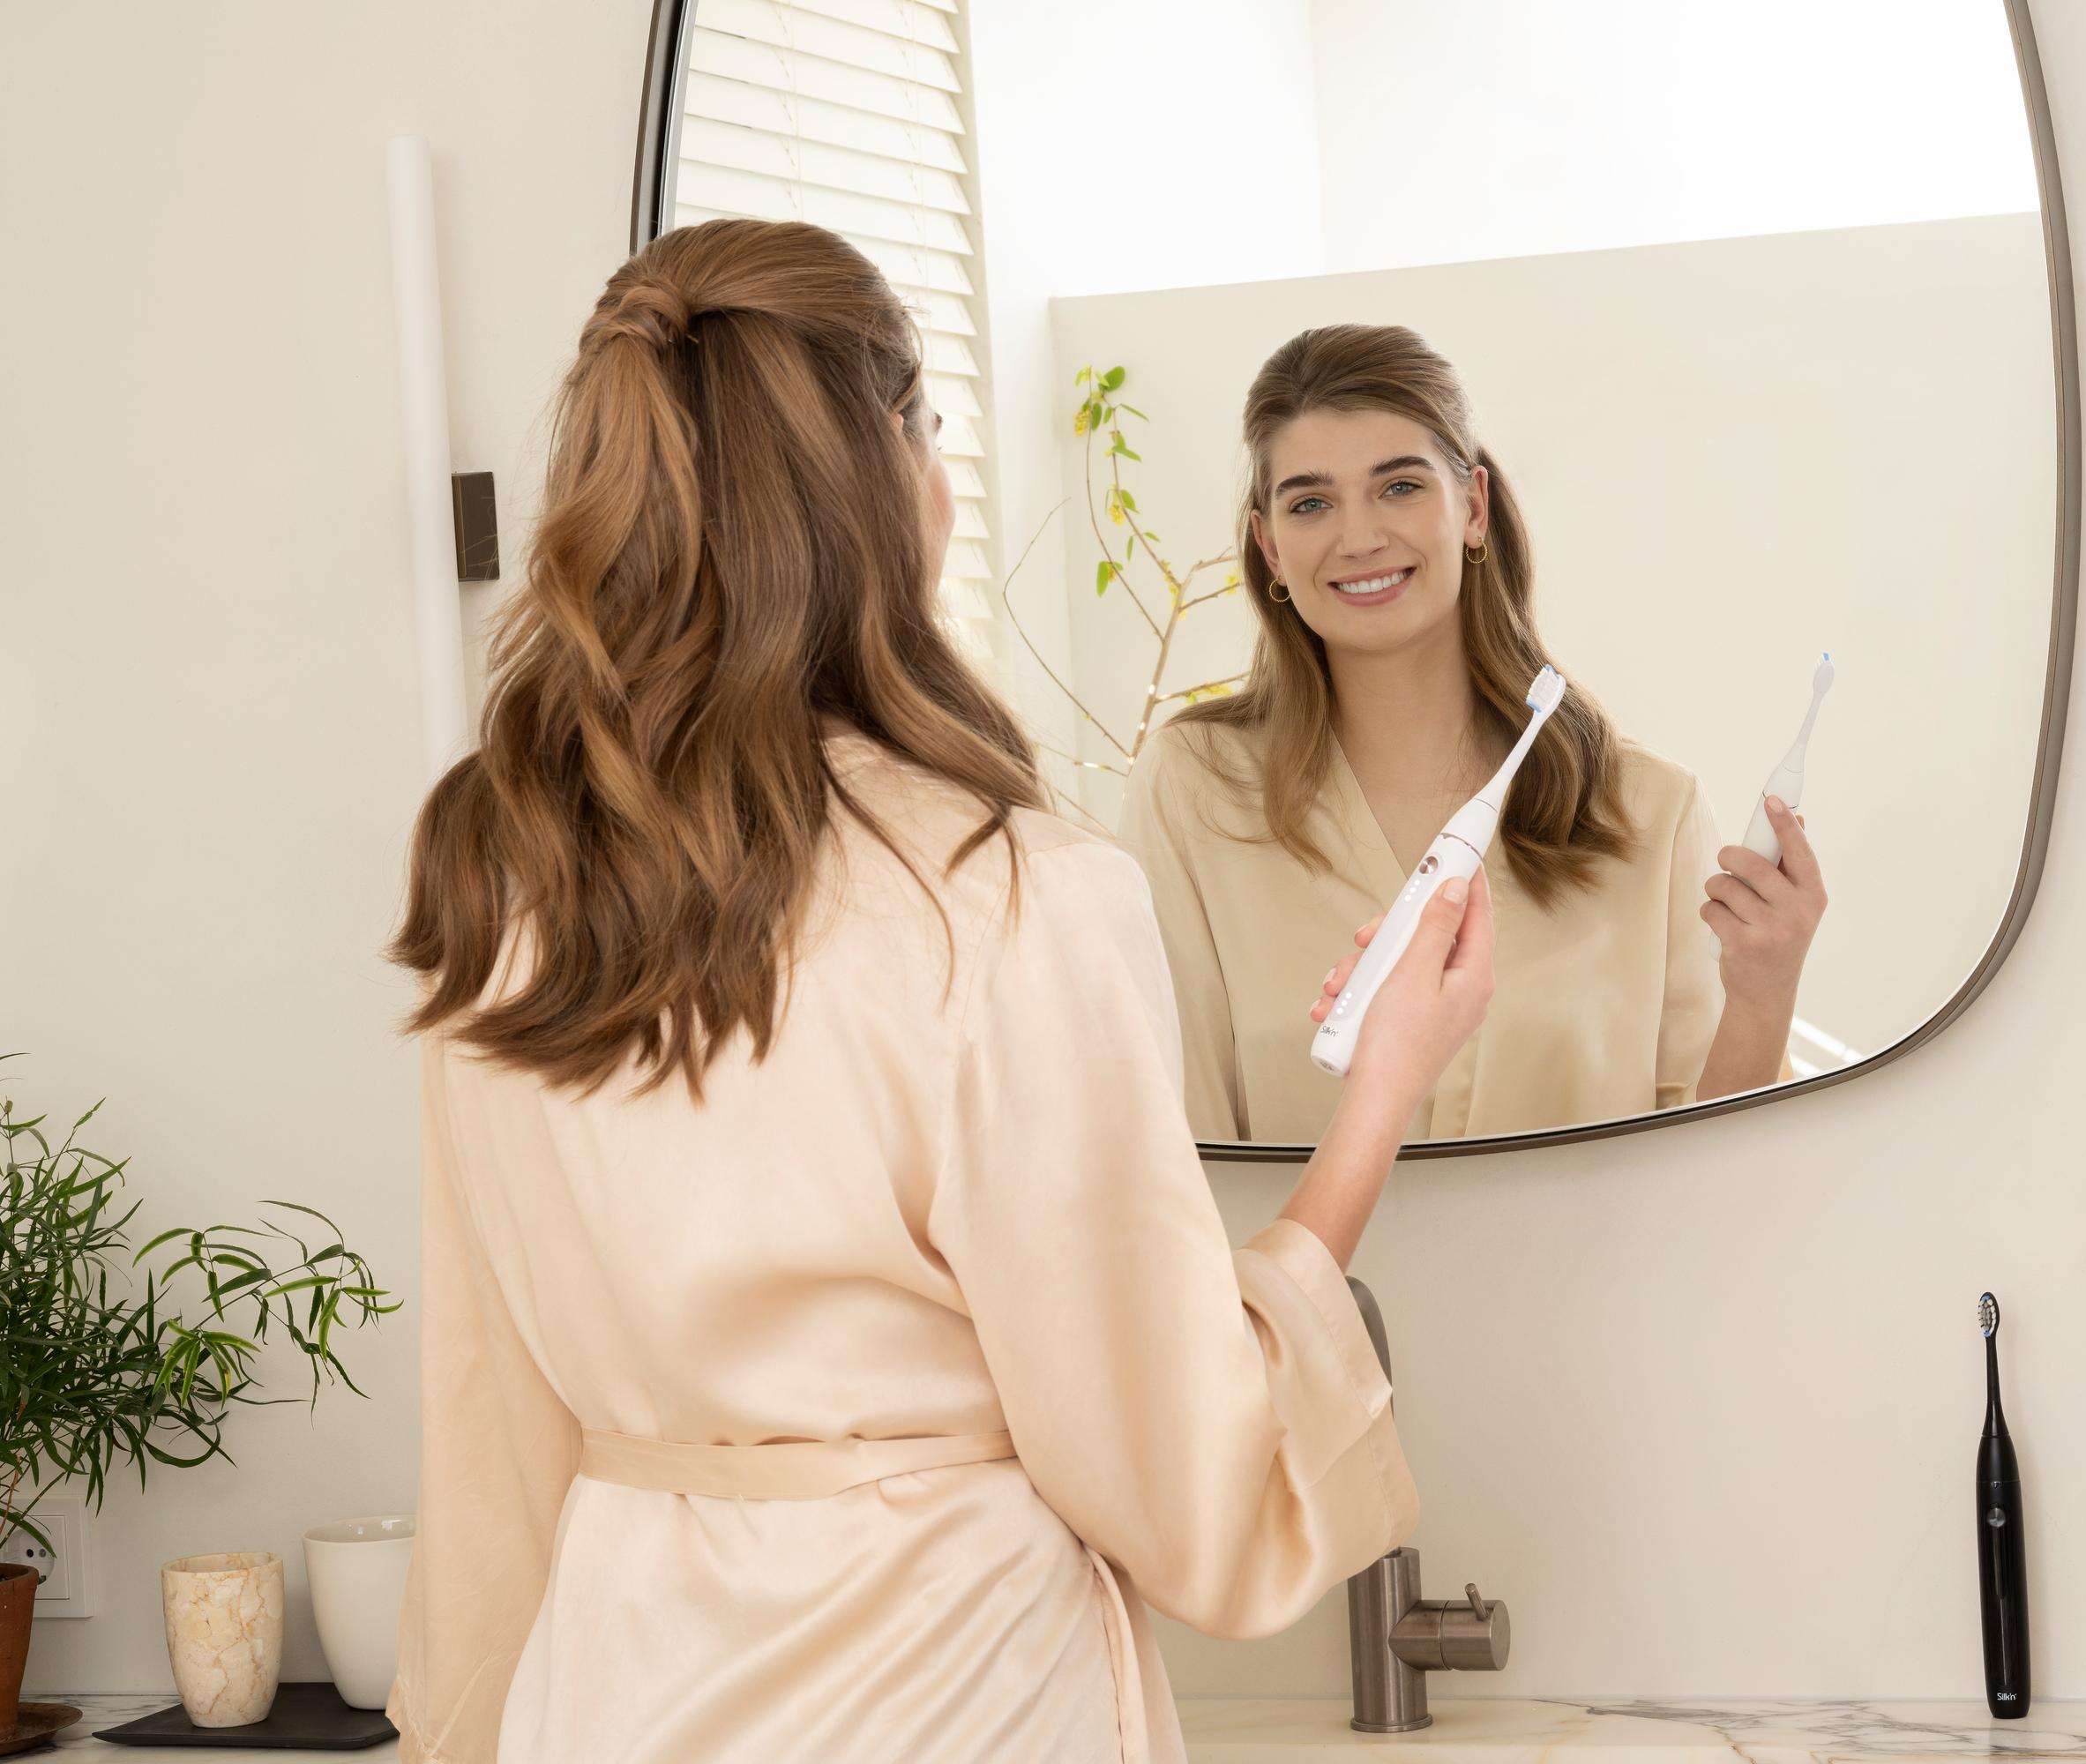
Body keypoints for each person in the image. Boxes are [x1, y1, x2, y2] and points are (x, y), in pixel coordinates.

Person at [383, 220, 1492, 1764]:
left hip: (613, 1693)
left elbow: (488, 1424)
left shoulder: (509, 878)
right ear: (890, 469)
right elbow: (1182, 1474)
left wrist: (462, 1728)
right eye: (934, 434)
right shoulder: (1009, 895)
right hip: (945, 1696)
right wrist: (1379, 1099)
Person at [1119, 325, 1826, 1143]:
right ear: (1270, 547)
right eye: (1311, 503)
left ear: (1475, 508)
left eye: (1400, 487)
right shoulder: (1195, 788)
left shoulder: (1649, 811)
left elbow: (1711, 1163)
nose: (1359, 538)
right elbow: (1174, 1144)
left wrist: (1765, 991)